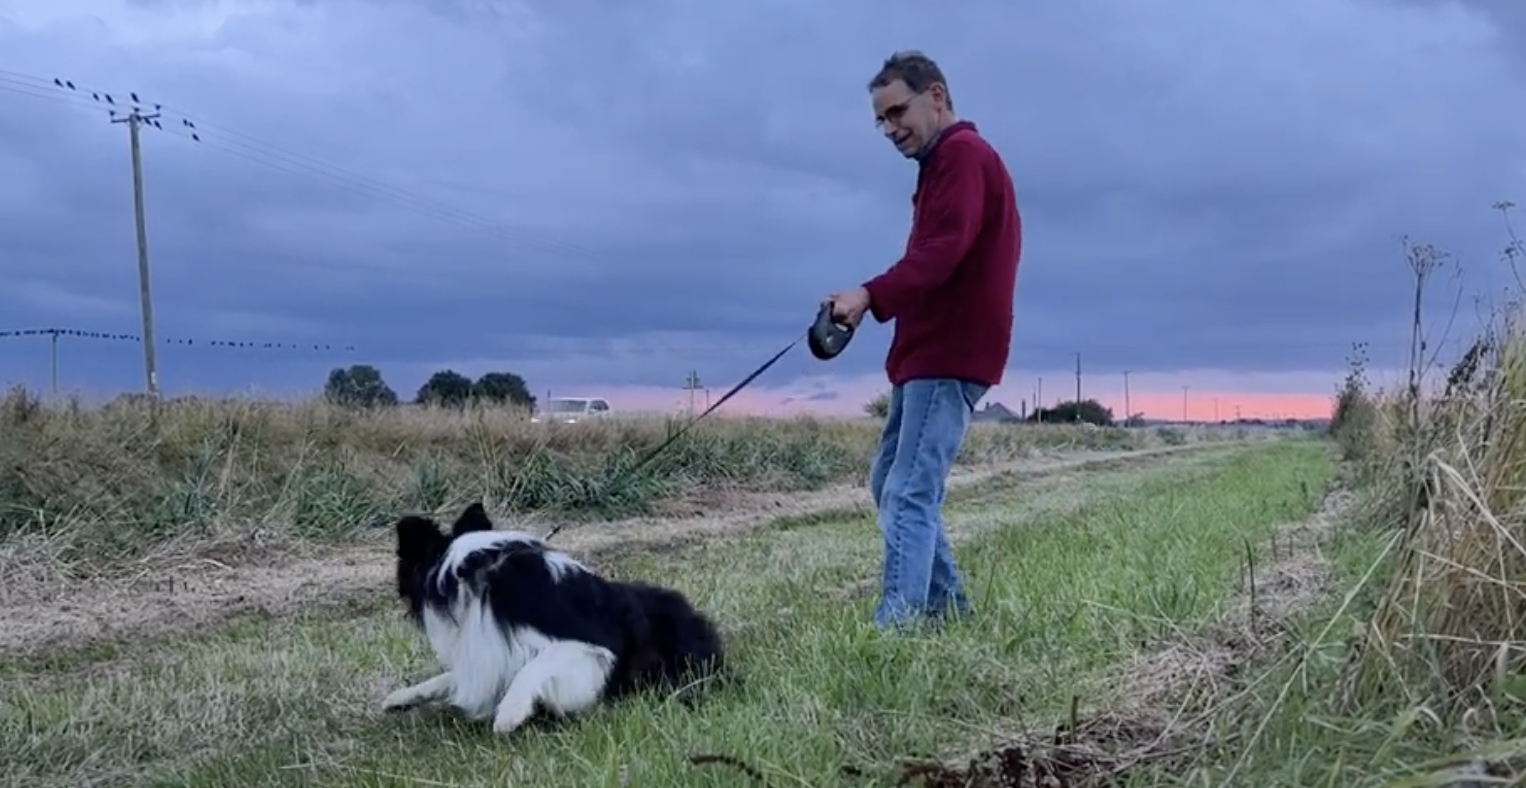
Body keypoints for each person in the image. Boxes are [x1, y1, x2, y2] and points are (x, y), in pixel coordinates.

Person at [824, 50, 1022, 630]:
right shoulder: (943, 164)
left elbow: (941, 253)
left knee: (909, 492)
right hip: (925, 352)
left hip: (949, 352)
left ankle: (898, 626)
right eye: (881, 121)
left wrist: (868, 294)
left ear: (935, 95)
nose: (889, 129)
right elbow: (934, 257)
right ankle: (947, 610)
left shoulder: (963, 155)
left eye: (896, 112)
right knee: (890, 481)